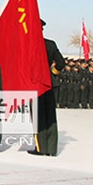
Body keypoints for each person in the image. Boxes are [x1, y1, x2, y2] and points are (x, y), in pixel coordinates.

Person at [30, 19, 65, 157]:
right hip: (49, 82)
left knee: (38, 115)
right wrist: (52, 73)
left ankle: (41, 147)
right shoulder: (50, 44)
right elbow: (61, 63)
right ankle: (51, 149)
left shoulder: (30, 45)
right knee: (50, 115)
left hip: (35, 82)